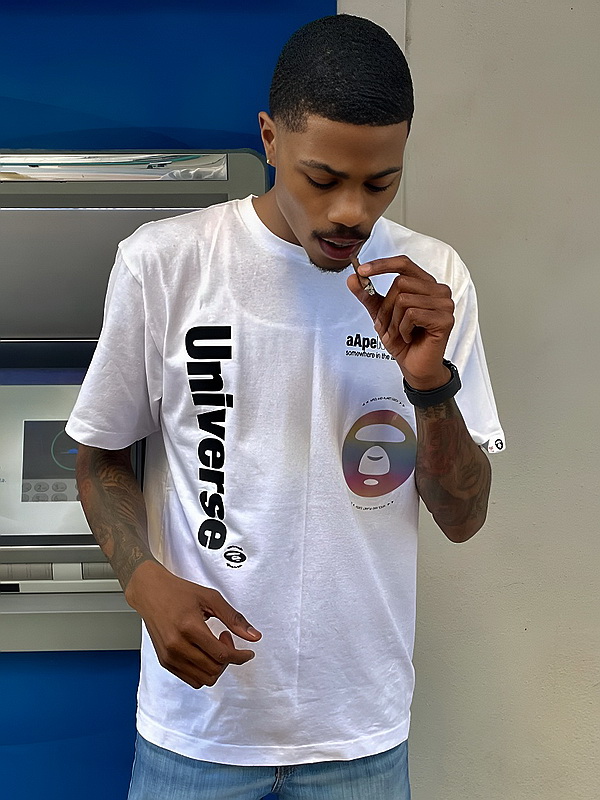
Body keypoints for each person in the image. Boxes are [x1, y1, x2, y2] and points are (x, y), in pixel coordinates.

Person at [66, 14, 504, 800]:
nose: (351, 213)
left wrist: (431, 386)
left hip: (359, 731)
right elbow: (100, 456)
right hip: (198, 726)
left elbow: (462, 517)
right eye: (323, 179)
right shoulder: (165, 263)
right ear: (270, 139)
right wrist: (142, 581)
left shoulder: (431, 281)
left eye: (380, 183)